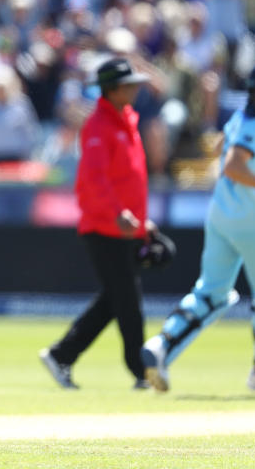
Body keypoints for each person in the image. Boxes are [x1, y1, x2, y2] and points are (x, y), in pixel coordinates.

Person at [141, 58, 255, 393]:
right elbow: (231, 165)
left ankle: (161, 347)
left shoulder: (242, 120)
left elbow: (221, 148)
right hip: (252, 220)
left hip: (221, 215)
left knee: (212, 292)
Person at [39, 57, 155, 389]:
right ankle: (141, 371)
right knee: (127, 301)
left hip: (126, 226)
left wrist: (143, 224)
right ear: (112, 90)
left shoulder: (127, 119)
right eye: (129, 84)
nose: (135, 89)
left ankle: (62, 355)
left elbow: (131, 179)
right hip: (104, 227)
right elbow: (94, 180)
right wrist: (119, 213)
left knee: (114, 300)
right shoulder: (98, 126)